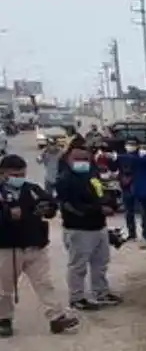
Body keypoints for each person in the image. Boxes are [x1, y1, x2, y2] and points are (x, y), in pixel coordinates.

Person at [0, 155, 80, 336]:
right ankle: (4, 319)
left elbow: (50, 205)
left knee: (45, 284)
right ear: (3, 173)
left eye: (22, 174)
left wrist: (48, 209)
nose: (19, 178)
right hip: (8, 248)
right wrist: (7, 216)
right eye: (14, 174)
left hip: (35, 246)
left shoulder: (32, 189)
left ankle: (57, 318)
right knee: (4, 288)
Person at [56, 141, 121, 312]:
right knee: (78, 266)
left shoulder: (92, 174)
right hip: (78, 229)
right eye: (77, 158)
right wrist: (99, 209)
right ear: (69, 158)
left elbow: (102, 192)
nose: (81, 162)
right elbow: (71, 206)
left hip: (98, 227)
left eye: (85, 158)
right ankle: (77, 298)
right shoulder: (65, 179)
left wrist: (110, 204)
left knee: (100, 263)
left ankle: (101, 292)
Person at [115, 141, 142, 240]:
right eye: (128, 145)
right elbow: (117, 168)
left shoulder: (138, 157)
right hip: (126, 187)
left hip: (136, 186)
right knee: (129, 212)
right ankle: (132, 233)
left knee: (141, 211)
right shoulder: (123, 157)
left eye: (132, 145)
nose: (129, 147)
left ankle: (145, 233)